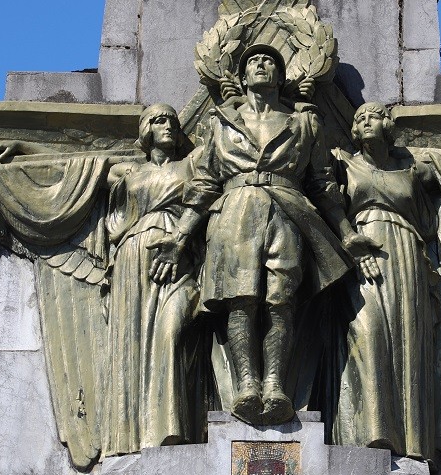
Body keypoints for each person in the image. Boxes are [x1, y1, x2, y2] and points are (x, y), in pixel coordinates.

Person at [147, 45, 377, 425]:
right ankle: (248, 384)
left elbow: (322, 183)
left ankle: (274, 384)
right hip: (234, 210)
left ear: (280, 76)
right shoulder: (219, 121)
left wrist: (348, 233)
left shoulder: (305, 122)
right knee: (241, 301)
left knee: (280, 300)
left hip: (289, 209)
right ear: (242, 77)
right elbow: (204, 183)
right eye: (253, 61)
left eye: (269, 60)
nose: (261, 65)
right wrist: (179, 237)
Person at [328, 102, 441, 459]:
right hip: (360, 250)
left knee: (407, 339)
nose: (365, 121)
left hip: (405, 251)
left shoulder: (411, 170)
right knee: (368, 331)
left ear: (388, 126)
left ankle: (409, 440)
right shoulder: (342, 163)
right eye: (359, 118)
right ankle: (371, 431)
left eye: (373, 116)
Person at [102, 104, 203, 454]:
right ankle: (137, 432)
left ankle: (172, 426)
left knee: (171, 333)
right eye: (160, 120)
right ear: (145, 130)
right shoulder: (127, 174)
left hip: (179, 255)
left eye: (173, 122)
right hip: (133, 257)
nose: (169, 127)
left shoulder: (189, 165)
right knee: (135, 339)